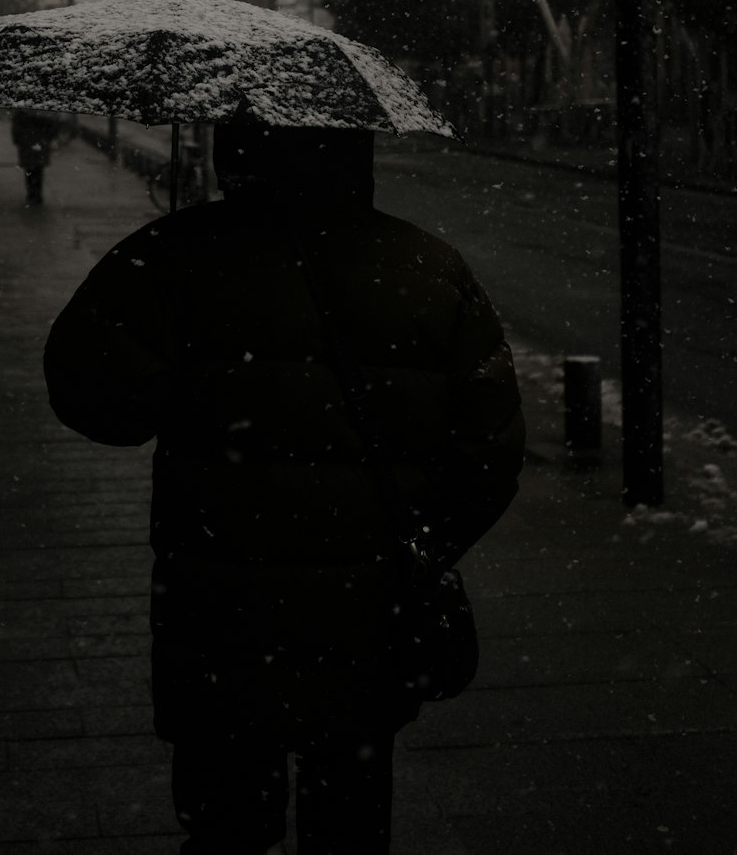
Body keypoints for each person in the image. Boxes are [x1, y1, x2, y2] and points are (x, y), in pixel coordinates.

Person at [44, 122, 524, 855]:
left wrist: (173, 336)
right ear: (355, 152)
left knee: (227, 823)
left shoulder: (176, 255)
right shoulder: (430, 267)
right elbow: (490, 452)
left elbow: (95, 401)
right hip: (367, 611)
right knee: (351, 816)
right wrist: (419, 548)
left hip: (218, 608)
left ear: (235, 152)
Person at [11, 109, 61, 204]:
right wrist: (49, 137)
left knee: (29, 169)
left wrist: (17, 139)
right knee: (38, 169)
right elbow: (53, 127)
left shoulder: (22, 112)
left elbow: (16, 127)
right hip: (40, 142)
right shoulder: (46, 113)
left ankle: (31, 193)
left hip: (27, 142)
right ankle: (37, 194)